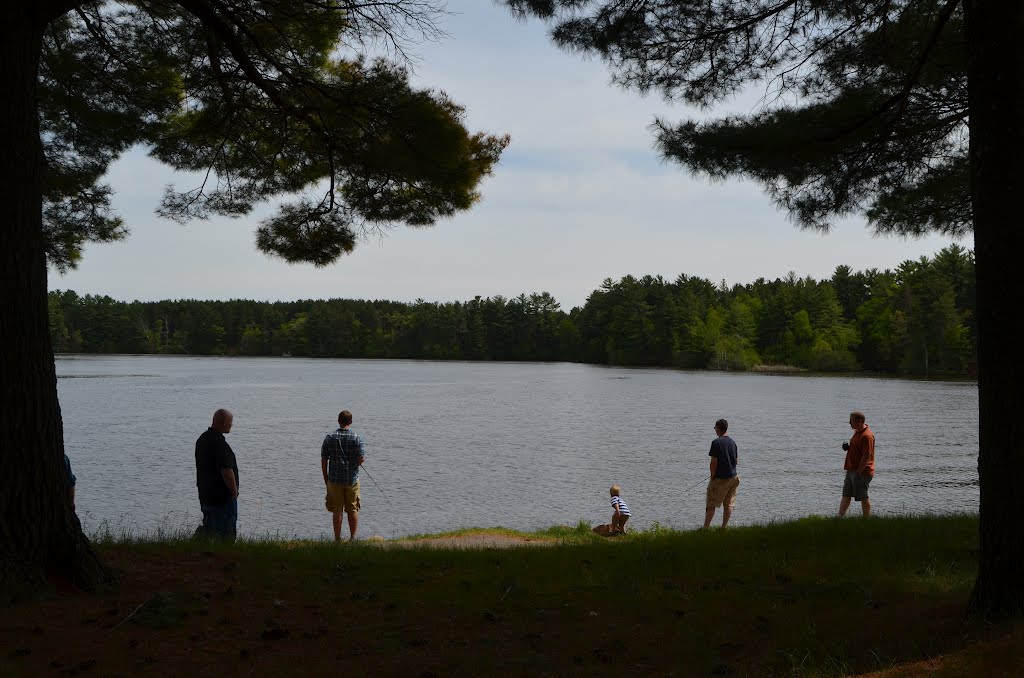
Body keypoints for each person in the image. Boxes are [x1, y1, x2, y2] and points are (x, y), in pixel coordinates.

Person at [195, 409, 239, 540]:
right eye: (230, 423)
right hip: (222, 499)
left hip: (205, 495)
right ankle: (224, 556)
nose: (231, 425)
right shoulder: (220, 444)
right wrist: (234, 492)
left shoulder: (202, 440)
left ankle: (205, 553)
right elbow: (226, 470)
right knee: (225, 535)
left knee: (210, 530)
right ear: (224, 423)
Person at [321, 410, 365, 541]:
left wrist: (326, 478)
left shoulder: (330, 437)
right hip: (352, 479)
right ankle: (352, 538)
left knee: (337, 510)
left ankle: (337, 539)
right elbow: (361, 458)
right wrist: (358, 462)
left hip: (334, 480)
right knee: (352, 509)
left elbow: (324, 459)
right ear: (350, 422)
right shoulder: (357, 437)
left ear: (338, 421)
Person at [703, 418, 740, 529]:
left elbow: (713, 462)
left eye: (715, 427)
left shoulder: (716, 442)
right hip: (733, 478)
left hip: (720, 479)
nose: (714, 429)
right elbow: (736, 461)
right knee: (729, 504)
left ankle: (705, 528)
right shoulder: (733, 442)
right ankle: (723, 528)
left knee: (711, 504)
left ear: (718, 429)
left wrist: (712, 475)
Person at [839, 410, 875, 517]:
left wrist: (859, 472)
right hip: (851, 469)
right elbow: (859, 450)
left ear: (859, 421)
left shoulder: (867, 436)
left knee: (863, 496)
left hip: (862, 472)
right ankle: (839, 517)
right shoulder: (857, 432)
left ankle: (866, 519)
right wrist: (849, 448)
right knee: (846, 494)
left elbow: (867, 456)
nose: (849, 423)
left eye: (851, 421)